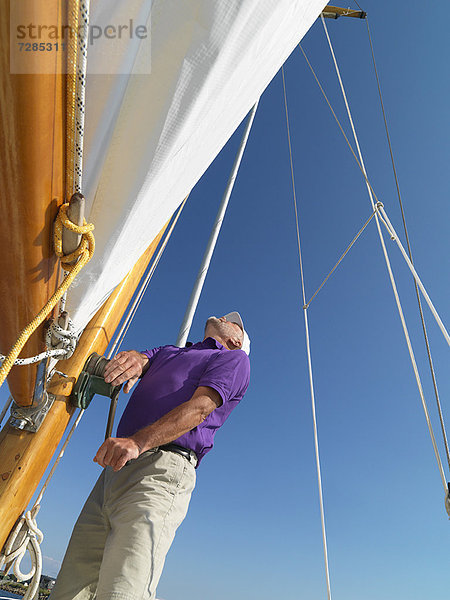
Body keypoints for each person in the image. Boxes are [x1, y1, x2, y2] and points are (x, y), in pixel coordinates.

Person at [51, 312, 251, 600]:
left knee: (125, 587)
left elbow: (200, 408)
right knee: (69, 588)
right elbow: (144, 359)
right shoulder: (171, 351)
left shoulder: (235, 359)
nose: (223, 315)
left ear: (236, 339)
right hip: (116, 471)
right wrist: (134, 361)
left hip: (161, 472)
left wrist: (137, 442)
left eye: (233, 321)